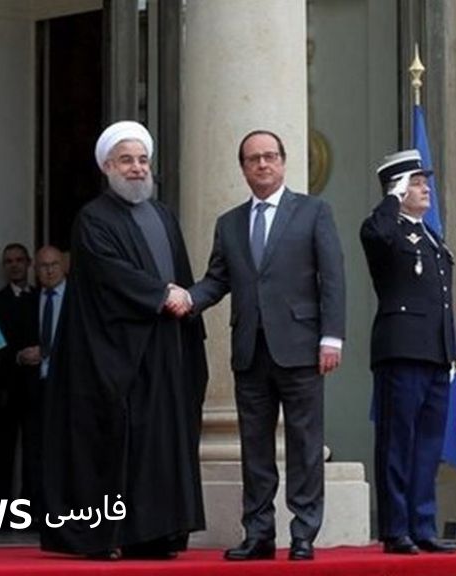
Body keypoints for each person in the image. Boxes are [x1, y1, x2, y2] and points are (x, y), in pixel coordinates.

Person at [40, 121, 208, 559]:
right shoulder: (93, 218)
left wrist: (186, 304)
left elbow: (182, 275)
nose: (137, 168)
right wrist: (160, 295)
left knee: (164, 444)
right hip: (121, 353)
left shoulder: (164, 215)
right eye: (127, 160)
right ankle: (110, 535)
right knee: (121, 444)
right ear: (107, 167)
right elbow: (110, 274)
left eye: (142, 160)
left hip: (166, 349)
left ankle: (158, 533)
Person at [184, 129, 346, 561]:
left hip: (301, 347)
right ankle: (258, 533)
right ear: (243, 168)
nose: (262, 164)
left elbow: (332, 277)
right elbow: (217, 280)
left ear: (283, 162)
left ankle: (304, 533)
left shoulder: (313, 212)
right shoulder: (230, 223)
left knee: (305, 445)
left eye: (270, 156)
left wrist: (332, 337)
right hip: (250, 350)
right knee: (254, 447)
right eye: (253, 158)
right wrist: (187, 300)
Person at [360, 150, 456, 555]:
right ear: (398, 189)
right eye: (416, 183)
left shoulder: (430, 235)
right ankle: (396, 528)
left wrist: (450, 351)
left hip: (435, 353)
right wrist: (391, 199)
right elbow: (374, 236)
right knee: (397, 443)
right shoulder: (387, 228)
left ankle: (422, 526)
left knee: (427, 447)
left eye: (424, 182)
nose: (425, 189)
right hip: (401, 351)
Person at [12, 246, 67, 507]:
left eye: (54, 264)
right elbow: (12, 343)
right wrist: (20, 356)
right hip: (33, 388)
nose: (49, 270)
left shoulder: (77, 301)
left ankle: (64, 506)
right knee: (34, 450)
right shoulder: (27, 301)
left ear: (64, 266)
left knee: (65, 449)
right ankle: (36, 508)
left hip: (67, 388)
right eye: (43, 266)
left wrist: (48, 351)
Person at [0, 243, 34, 501]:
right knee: (3, 452)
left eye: (19, 260)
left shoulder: (41, 297)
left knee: (35, 451)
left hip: (36, 388)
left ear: (28, 263)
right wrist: (16, 356)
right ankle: (0, 510)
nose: (14, 265)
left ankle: (31, 509)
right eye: (9, 261)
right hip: (6, 389)